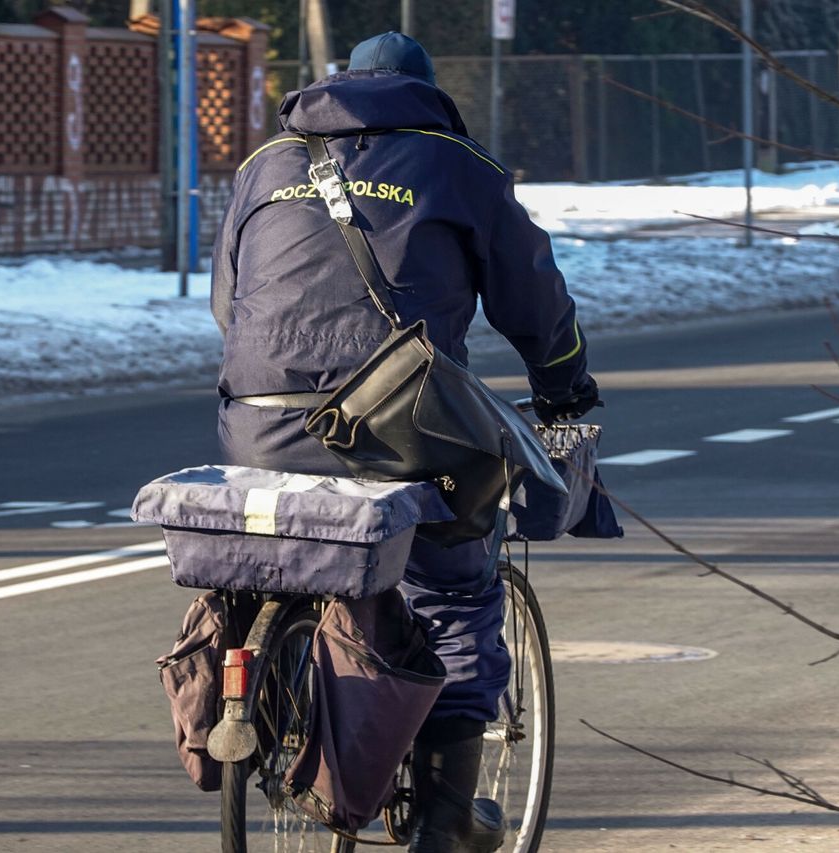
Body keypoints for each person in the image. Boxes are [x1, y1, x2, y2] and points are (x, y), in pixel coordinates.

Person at [210, 31, 599, 853]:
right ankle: (446, 820)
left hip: (260, 421)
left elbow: (228, 303)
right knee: (453, 588)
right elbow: (536, 308)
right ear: (426, 92)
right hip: (398, 424)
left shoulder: (263, 166)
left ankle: (280, 702)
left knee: (287, 555)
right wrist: (565, 389)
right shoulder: (461, 167)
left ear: (340, 83)